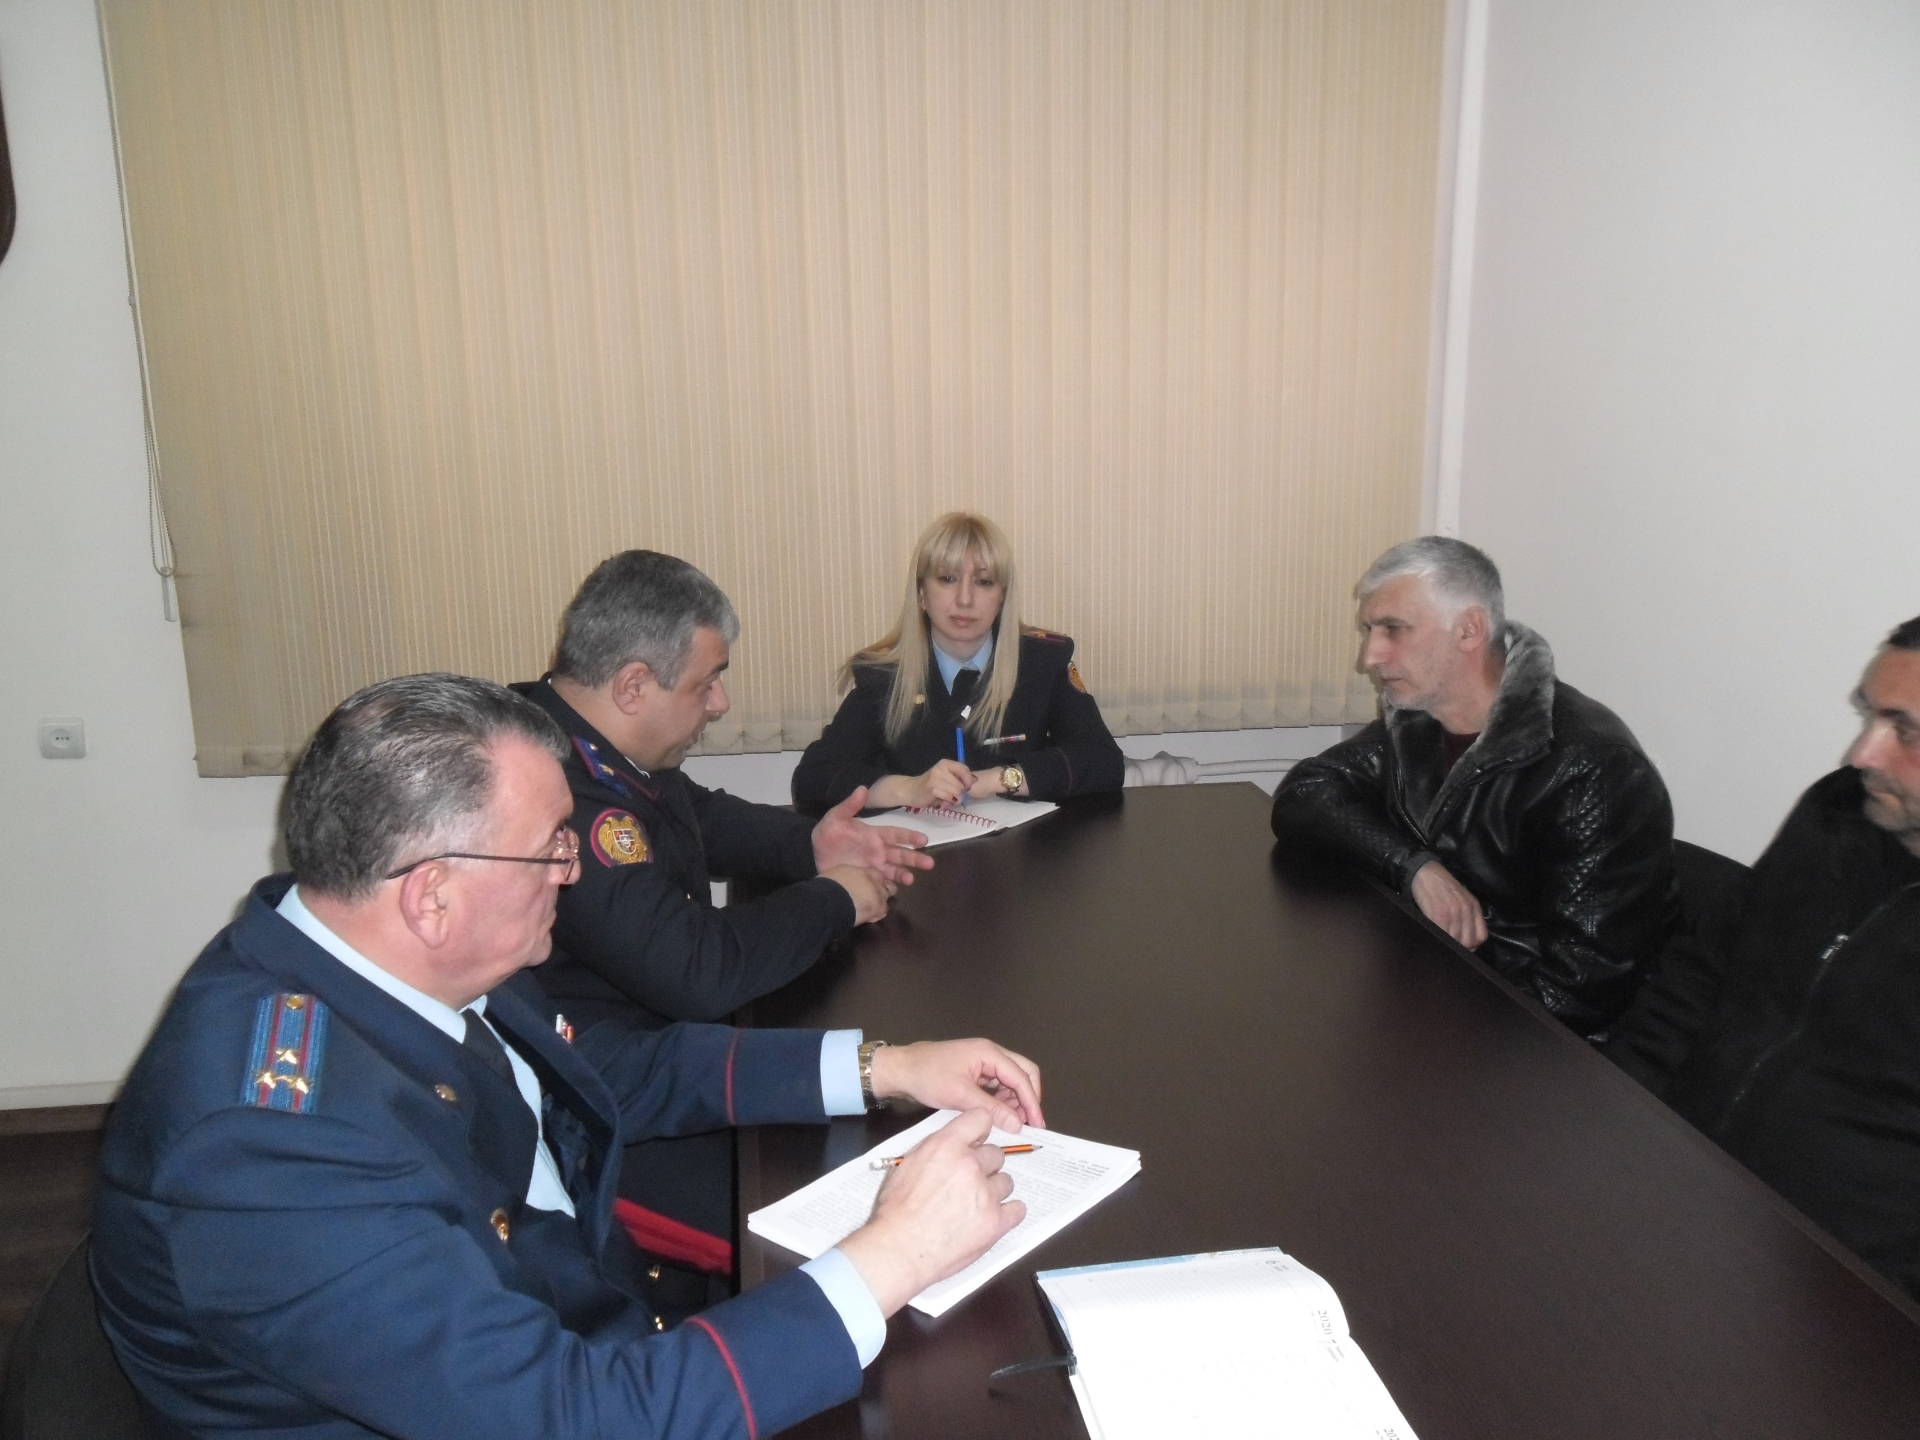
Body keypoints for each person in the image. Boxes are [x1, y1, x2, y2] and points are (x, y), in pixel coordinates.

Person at [92, 674, 1047, 1440]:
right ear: (432, 895)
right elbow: (580, 1416)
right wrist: (892, 1254)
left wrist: (886, 1064)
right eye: (551, 847)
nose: (575, 867)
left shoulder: (382, 948)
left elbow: (614, 1072)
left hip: (591, 1325)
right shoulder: (271, 1152)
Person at [1603, 617, 1920, 1301]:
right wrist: (1618, 1107)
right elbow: (1703, 970)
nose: (1862, 752)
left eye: (1906, 730)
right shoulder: (1834, 814)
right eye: (1869, 714)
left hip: (1828, 1293)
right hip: (1670, 1187)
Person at [1269, 536, 1677, 1038]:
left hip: (1528, 1042)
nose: (1370, 656)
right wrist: (1414, 867)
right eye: (1370, 630)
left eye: (1393, 629)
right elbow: (1305, 792)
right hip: (1431, 985)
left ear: (1469, 629)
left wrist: (1431, 1028)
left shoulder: (1592, 768)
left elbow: (1579, 993)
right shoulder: (1419, 720)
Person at [791, 512, 1125, 812]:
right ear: (921, 594)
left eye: (984, 582)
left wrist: (1001, 779)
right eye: (947, 579)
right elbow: (813, 778)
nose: (965, 599)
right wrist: (909, 788)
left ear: (1002, 598)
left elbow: (1103, 760)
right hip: (923, 853)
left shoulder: (1042, 662)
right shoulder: (884, 675)